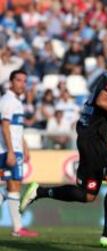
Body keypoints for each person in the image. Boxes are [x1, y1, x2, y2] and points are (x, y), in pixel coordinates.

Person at [20, 46, 107, 247]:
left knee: (88, 194)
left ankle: (39, 191)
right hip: (93, 139)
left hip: (91, 136)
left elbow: (94, 109)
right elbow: (102, 101)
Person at [0, 69, 38, 237]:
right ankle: (17, 228)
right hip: (8, 150)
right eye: (19, 80)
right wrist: (10, 151)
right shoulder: (8, 101)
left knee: (12, 186)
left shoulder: (16, 101)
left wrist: (25, 146)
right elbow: (5, 126)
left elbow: (17, 128)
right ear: (11, 82)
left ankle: (17, 228)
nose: (22, 84)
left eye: (24, 81)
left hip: (15, 149)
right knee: (12, 185)